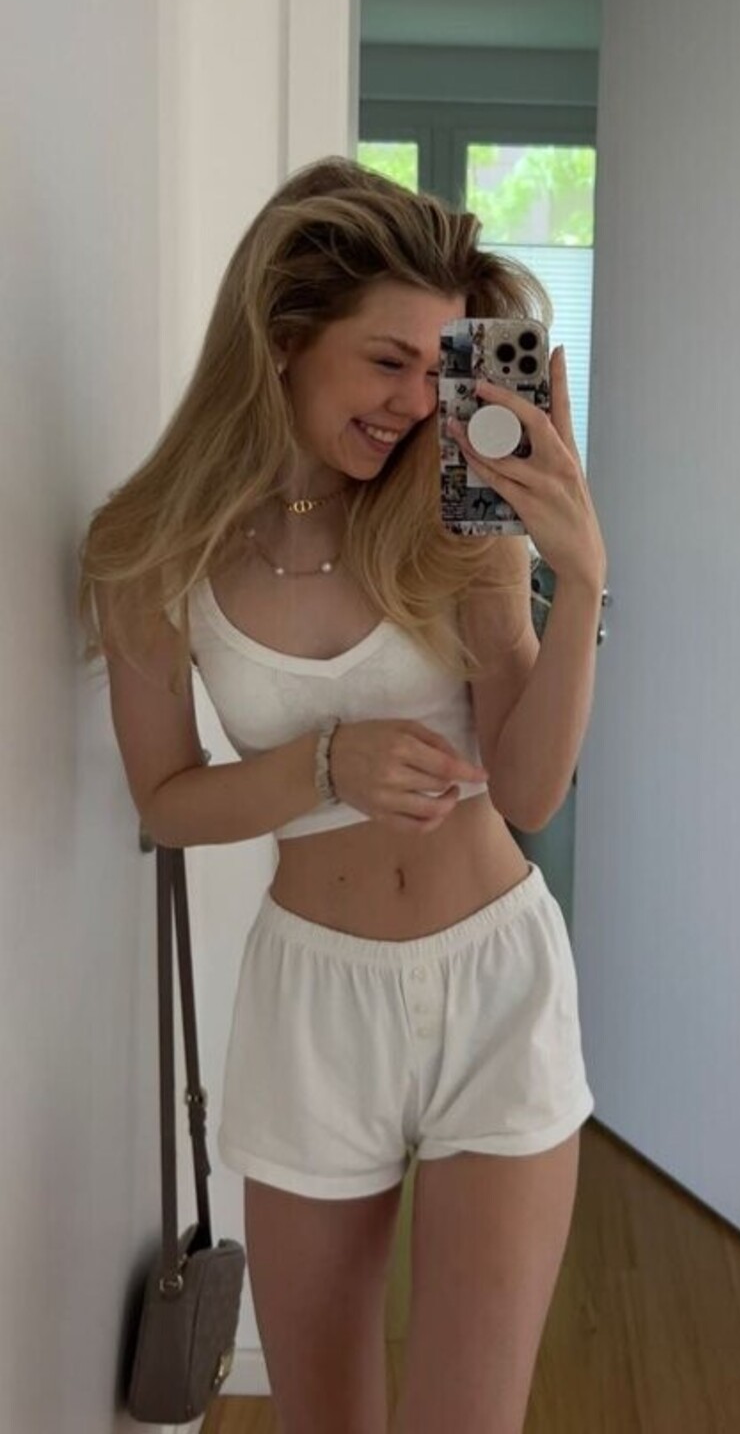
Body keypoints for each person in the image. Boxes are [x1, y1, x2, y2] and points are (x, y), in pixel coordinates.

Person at [78, 156, 607, 1434]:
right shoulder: (154, 547)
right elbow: (165, 800)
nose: (418, 401)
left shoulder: (456, 514)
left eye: (438, 366)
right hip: (313, 1003)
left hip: (497, 982)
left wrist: (580, 578)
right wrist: (324, 765)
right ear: (283, 337)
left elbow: (531, 789)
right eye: (386, 361)